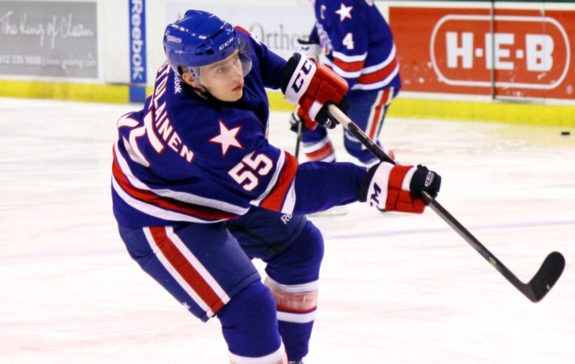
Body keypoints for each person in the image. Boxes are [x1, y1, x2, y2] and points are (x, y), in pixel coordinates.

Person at [111, 10, 440, 364]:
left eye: (234, 59)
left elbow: (254, 52)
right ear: (191, 78)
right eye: (220, 69)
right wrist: (368, 182)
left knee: (301, 247)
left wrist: (294, 79)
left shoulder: (224, 48)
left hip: (208, 185)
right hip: (161, 214)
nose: (236, 71)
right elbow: (292, 189)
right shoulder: (202, 128)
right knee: (248, 307)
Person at [291, 0, 401, 165]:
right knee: (308, 127)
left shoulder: (346, 7)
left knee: (360, 146)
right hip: (343, 76)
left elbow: (350, 67)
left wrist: (318, 99)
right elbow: (326, 21)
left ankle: (400, 183)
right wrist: (314, 41)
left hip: (371, 86)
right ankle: (327, 181)